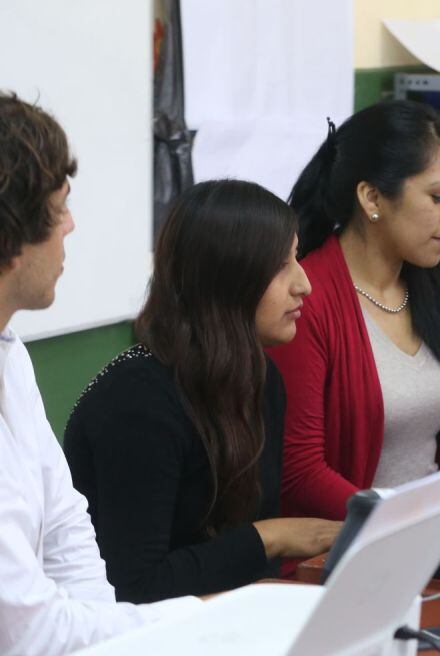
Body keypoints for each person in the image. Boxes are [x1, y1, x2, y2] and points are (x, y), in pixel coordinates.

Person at [63, 181, 342, 602]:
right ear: (228, 278)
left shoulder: (261, 380)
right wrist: (270, 538)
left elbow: (245, 569)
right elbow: (134, 586)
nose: (304, 283)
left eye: (296, 258)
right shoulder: (137, 403)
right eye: (280, 266)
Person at [0, 93, 200, 655]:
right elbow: (26, 631)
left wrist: (108, 638)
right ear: (12, 238)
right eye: (60, 208)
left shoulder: (9, 352)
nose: (71, 225)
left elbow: (64, 524)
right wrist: (196, 623)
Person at [272, 100, 440, 522]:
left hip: (428, 539)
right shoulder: (305, 299)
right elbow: (300, 471)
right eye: (439, 196)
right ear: (372, 197)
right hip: (348, 548)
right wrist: (399, 526)